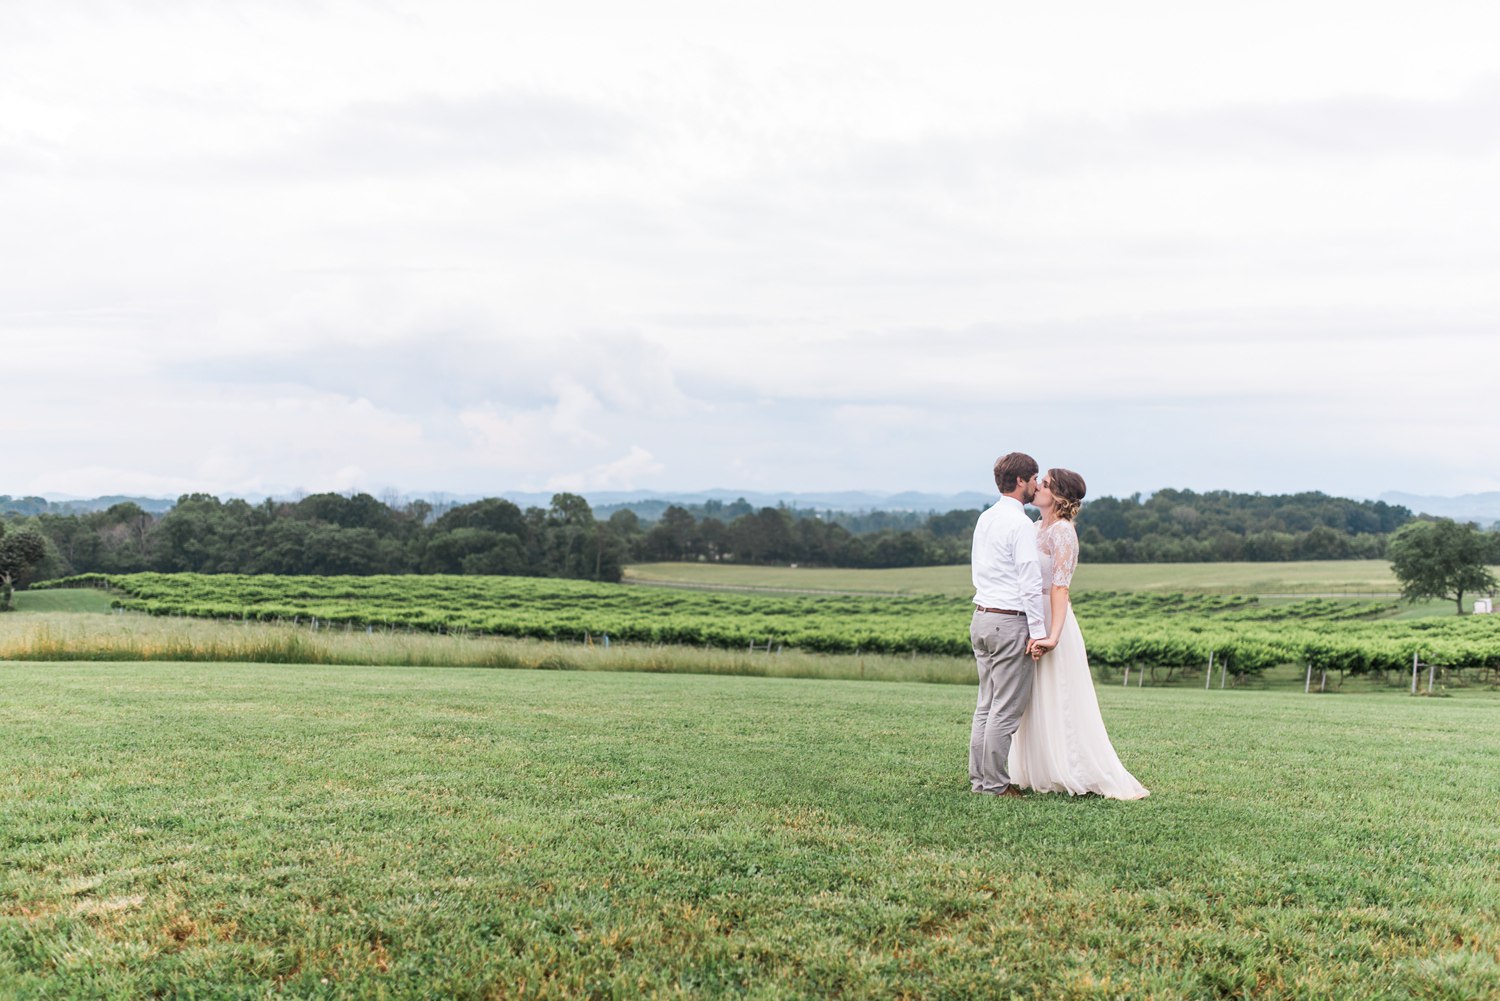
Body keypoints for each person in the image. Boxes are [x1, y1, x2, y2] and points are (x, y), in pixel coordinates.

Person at [1010, 468, 1149, 800]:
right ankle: (1035, 768)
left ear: (1057, 496)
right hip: (1031, 615)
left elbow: (1060, 587)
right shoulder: (1032, 528)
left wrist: (1052, 635)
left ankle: (1070, 766)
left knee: (1060, 694)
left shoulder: (1062, 533)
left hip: (1054, 620)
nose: (1036, 488)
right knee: (1032, 696)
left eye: (1043, 484)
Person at [968, 452, 1049, 797]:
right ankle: (997, 785)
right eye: (1033, 478)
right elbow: (1029, 581)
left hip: (982, 617)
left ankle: (980, 781)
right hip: (1009, 620)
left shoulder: (985, 518)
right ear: (1020, 481)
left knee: (986, 705)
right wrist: (1039, 632)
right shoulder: (1019, 524)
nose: (1036, 484)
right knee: (1005, 709)